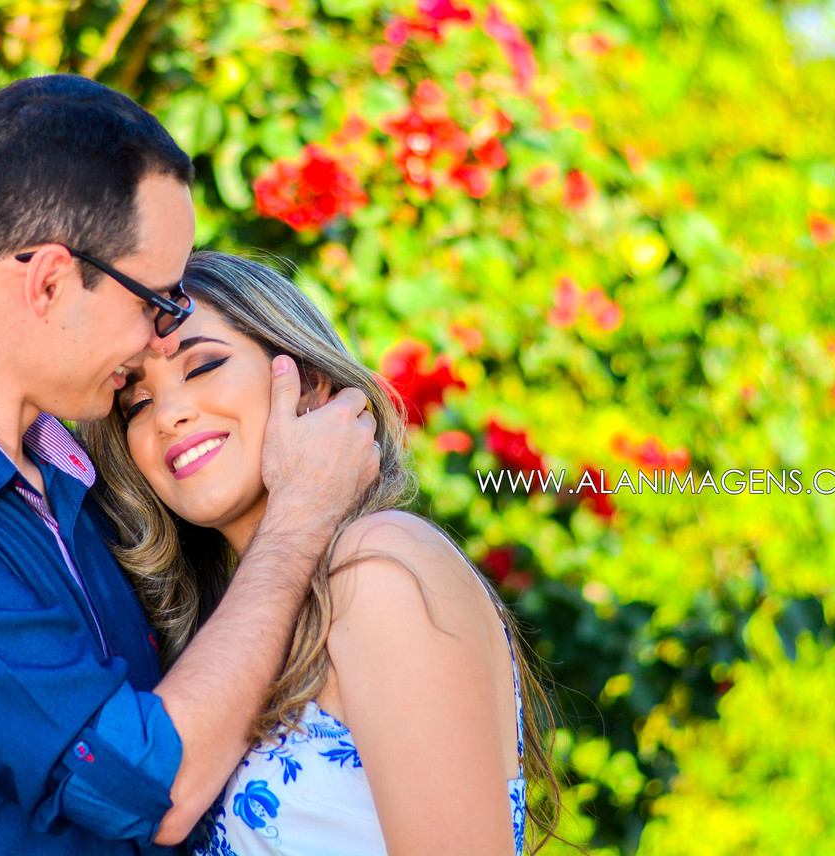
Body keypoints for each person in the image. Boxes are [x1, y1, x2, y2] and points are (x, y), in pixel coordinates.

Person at [0, 75, 379, 855]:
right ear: (50, 281)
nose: (165, 333)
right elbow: (150, 787)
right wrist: (300, 514)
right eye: (156, 298)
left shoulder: (72, 475)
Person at [80, 251, 564, 856]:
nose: (170, 415)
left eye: (202, 367)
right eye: (138, 403)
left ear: (308, 381)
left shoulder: (378, 566)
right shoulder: (232, 630)